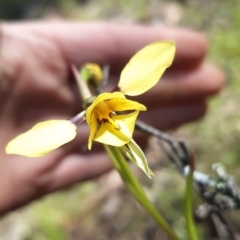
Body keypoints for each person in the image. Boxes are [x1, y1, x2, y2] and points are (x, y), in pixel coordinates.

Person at [0, 22, 224, 215]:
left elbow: (159, 55)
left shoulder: (84, 121)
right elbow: (26, 145)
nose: (108, 117)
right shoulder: (70, 127)